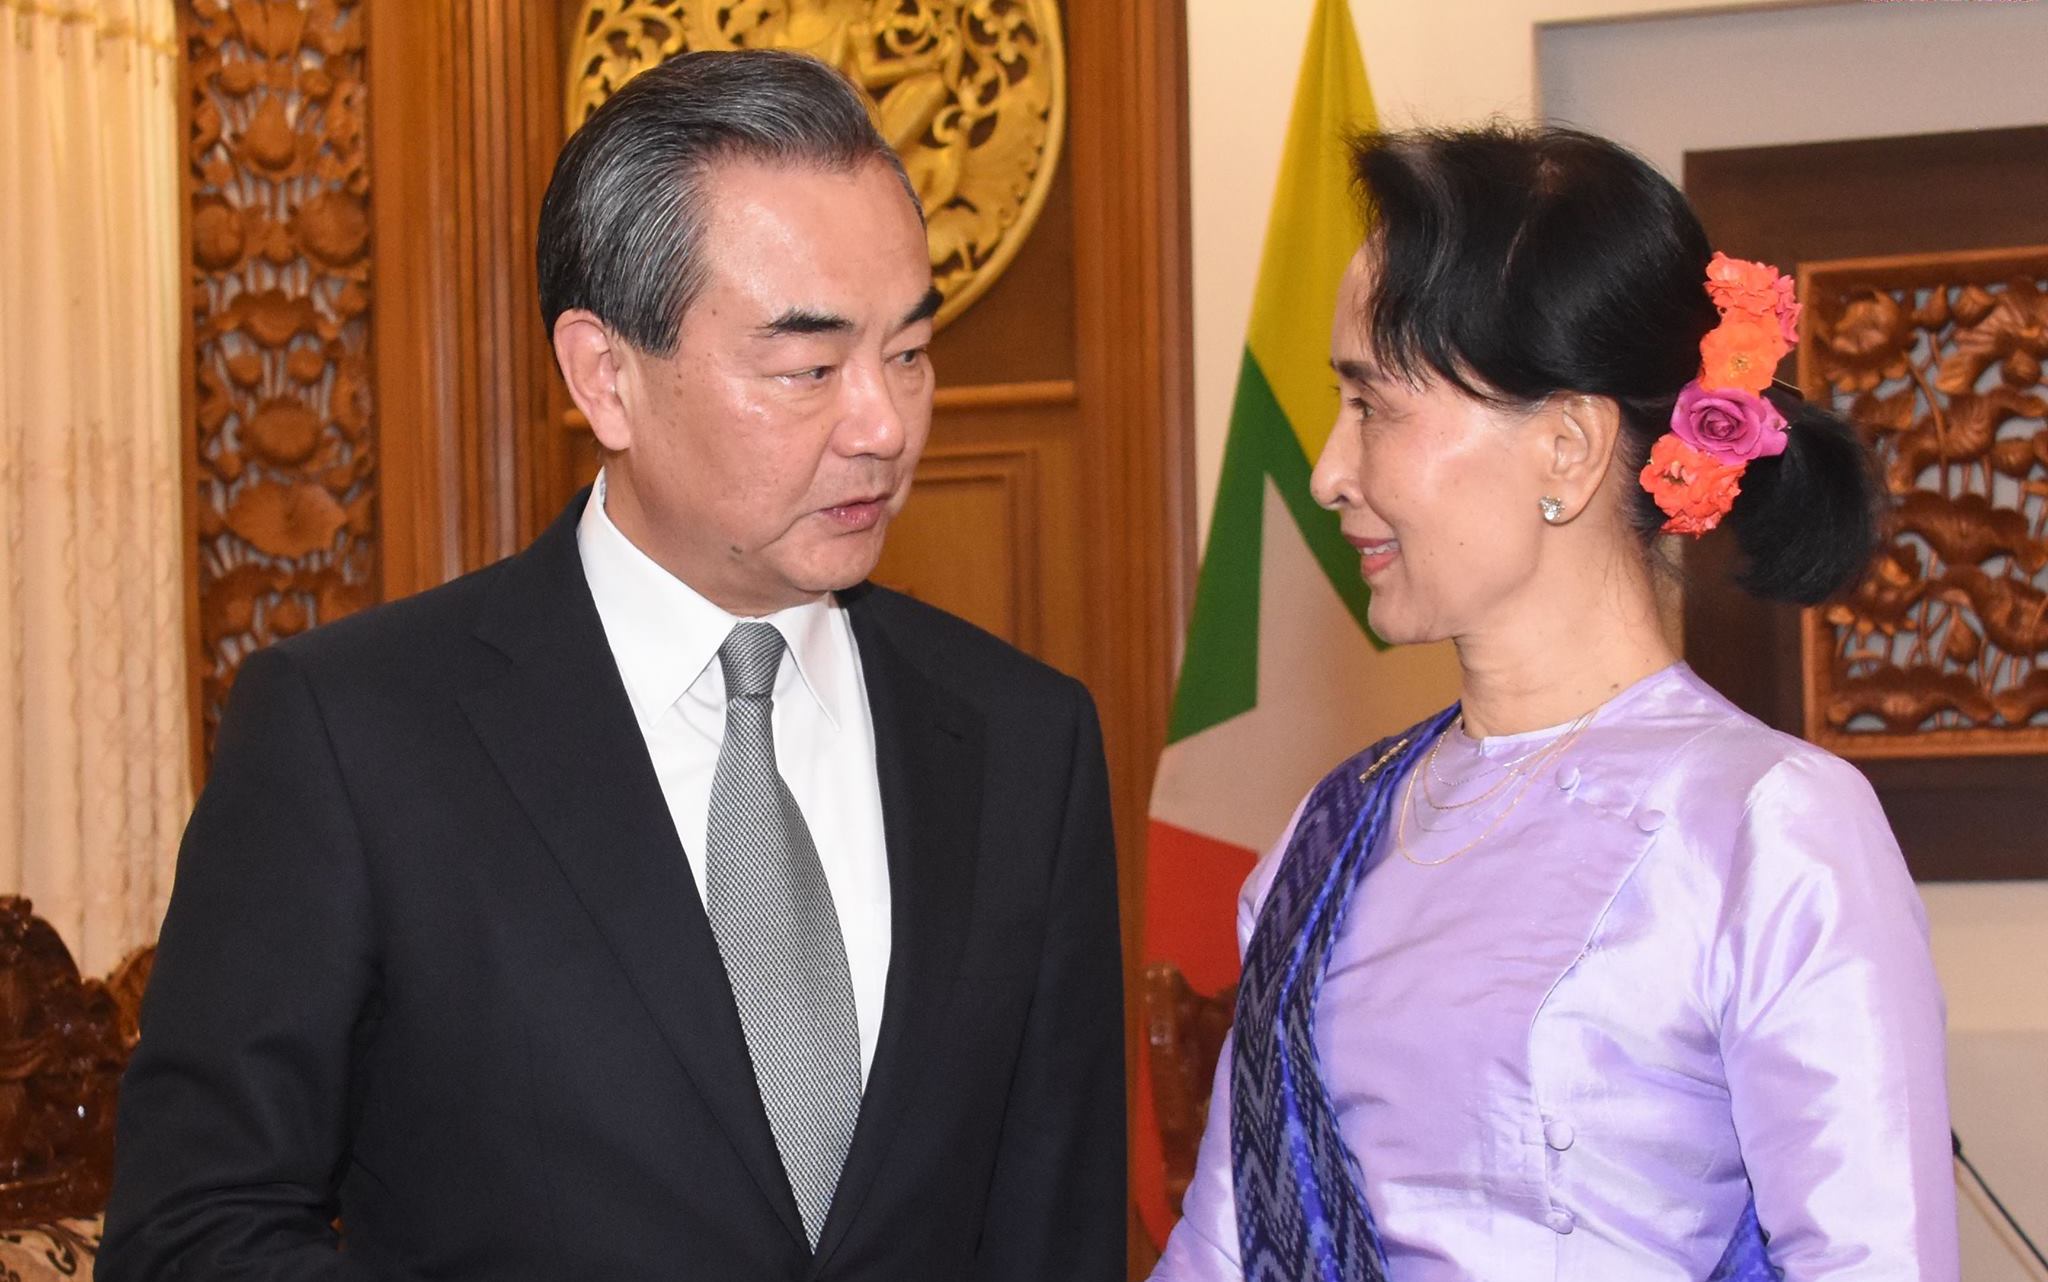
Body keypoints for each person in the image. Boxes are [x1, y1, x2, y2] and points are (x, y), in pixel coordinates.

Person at [102, 49, 1125, 1281]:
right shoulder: (352, 736)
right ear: (606, 376)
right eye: (808, 367)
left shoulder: (1025, 738)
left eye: (906, 351)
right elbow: (190, 1236)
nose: (884, 426)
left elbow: (1053, 1229)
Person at [1152, 125, 1957, 1282]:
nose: (1330, 472)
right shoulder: (1328, 832)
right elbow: (1221, 1250)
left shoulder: (1765, 828)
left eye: (1372, 406)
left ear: (1566, 449)